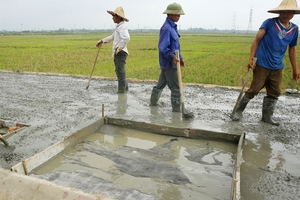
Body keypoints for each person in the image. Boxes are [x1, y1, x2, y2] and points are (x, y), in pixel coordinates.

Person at [231, 0, 300, 126]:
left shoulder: (294, 29)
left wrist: (295, 69)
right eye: (282, 12)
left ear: (293, 14)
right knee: (254, 89)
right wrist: (251, 59)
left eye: (288, 12)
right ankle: (238, 111)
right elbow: (256, 41)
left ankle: (267, 116)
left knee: (275, 91)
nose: (284, 14)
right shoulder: (269, 23)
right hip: (262, 62)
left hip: (277, 65)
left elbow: (292, 49)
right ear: (279, 12)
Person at [150, 2, 185, 112]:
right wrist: (172, 58)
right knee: (175, 88)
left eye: (179, 15)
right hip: (170, 63)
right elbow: (163, 47)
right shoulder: (167, 28)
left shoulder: (173, 27)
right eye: (176, 15)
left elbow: (176, 47)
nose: (178, 17)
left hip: (170, 62)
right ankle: (177, 111)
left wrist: (181, 58)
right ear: (169, 14)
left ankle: (153, 103)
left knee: (160, 85)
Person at [96, 7, 130, 93]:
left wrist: (118, 48)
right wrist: (102, 41)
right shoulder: (118, 27)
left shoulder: (122, 27)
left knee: (120, 72)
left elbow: (126, 38)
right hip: (119, 53)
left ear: (118, 17)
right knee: (119, 71)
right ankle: (124, 89)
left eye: (114, 16)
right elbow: (112, 37)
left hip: (120, 53)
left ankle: (121, 92)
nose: (112, 18)